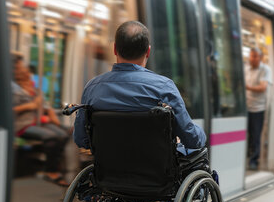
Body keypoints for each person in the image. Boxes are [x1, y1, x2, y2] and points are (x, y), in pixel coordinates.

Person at [73, 21, 205, 153]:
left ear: (114, 49)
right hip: (157, 170)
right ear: (148, 51)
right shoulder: (164, 87)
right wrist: (199, 132)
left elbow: (81, 139)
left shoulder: (92, 88)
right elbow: (192, 140)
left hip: (109, 170)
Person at [11, 54, 69, 186]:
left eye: (27, 73)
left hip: (38, 122)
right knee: (51, 136)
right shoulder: (15, 91)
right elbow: (10, 110)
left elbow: (45, 107)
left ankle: (54, 163)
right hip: (22, 125)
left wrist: (52, 117)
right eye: (23, 73)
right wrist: (30, 106)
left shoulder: (36, 91)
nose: (26, 75)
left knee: (64, 134)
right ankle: (50, 170)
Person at [244, 47, 272, 171]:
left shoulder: (265, 69)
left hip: (258, 108)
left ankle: (254, 160)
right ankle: (248, 156)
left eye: (255, 56)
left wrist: (247, 87)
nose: (252, 58)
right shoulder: (246, 69)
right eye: (251, 56)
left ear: (260, 58)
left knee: (256, 136)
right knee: (248, 135)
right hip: (246, 107)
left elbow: (263, 87)